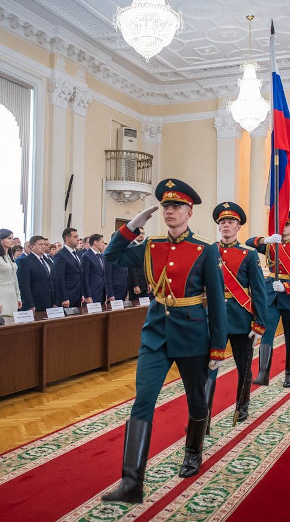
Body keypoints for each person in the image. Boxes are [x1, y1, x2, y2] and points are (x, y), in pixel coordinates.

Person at [101, 178, 226, 504]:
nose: (170, 211)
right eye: (166, 206)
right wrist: (132, 225)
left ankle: (193, 451)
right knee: (143, 401)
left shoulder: (205, 249)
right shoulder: (151, 245)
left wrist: (217, 345)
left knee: (197, 401)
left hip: (193, 335)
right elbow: (111, 257)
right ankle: (131, 483)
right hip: (156, 335)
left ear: (189, 211)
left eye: (176, 206)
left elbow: (215, 299)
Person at [205, 201, 267, 429]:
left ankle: (242, 404)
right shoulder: (208, 251)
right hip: (214, 318)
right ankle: (204, 412)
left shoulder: (249, 255)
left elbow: (259, 292)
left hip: (241, 319)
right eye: (222, 222)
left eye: (230, 222)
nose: (226, 226)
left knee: (243, 366)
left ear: (238, 226)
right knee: (209, 367)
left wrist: (258, 323)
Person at [245, 211, 290, 385]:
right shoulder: (271, 244)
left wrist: (286, 286)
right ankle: (263, 372)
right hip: (271, 296)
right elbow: (248, 242)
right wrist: (265, 240)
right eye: (282, 224)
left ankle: (289, 373)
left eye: (288, 225)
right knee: (266, 334)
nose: (284, 227)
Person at [0, 229, 22, 317]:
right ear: (1, 240)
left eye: (12, 238)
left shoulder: (9, 257)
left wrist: (18, 297)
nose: (12, 241)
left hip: (12, 294)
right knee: (3, 321)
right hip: (1, 294)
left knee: (13, 322)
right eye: (9, 238)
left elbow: (15, 278)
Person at [17, 235, 55, 312]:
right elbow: (24, 285)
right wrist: (30, 304)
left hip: (50, 302)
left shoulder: (48, 261)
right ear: (32, 247)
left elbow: (53, 281)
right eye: (40, 244)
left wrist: (55, 301)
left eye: (44, 244)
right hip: (36, 302)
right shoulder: (25, 262)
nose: (43, 247)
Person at [53, 228, 84, 308]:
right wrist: (64, 297)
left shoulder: (75, 253)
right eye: (75, 237)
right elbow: (59, 278)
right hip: (68, 296)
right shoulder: (61, 255)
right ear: (67, 239)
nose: (78, 239)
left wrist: (82, 294)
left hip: (77, 295)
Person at [81, 233, 108, 303]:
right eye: (102, 242)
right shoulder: (86, 256)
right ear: (95, 243)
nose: (103, 244)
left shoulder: (101, 256)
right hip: (93, 292)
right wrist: (87, 295)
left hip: (102, 291)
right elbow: (85, 277)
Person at [127, 227, 151, 300]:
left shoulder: (144, 248)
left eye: (143, 233)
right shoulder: (131, 248)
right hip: (136, 285)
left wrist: (149, 282)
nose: (141, 235)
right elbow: (131, 268)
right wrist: (135, 285)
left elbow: (147, 266)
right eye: (139, 233)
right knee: (135, 309)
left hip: (145, 284)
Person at [105, 235, 129, 302]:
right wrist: (110, 294)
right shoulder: (109, 254)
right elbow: (107, 275)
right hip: (115, 290)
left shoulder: (122, 252)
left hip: (123, 288)